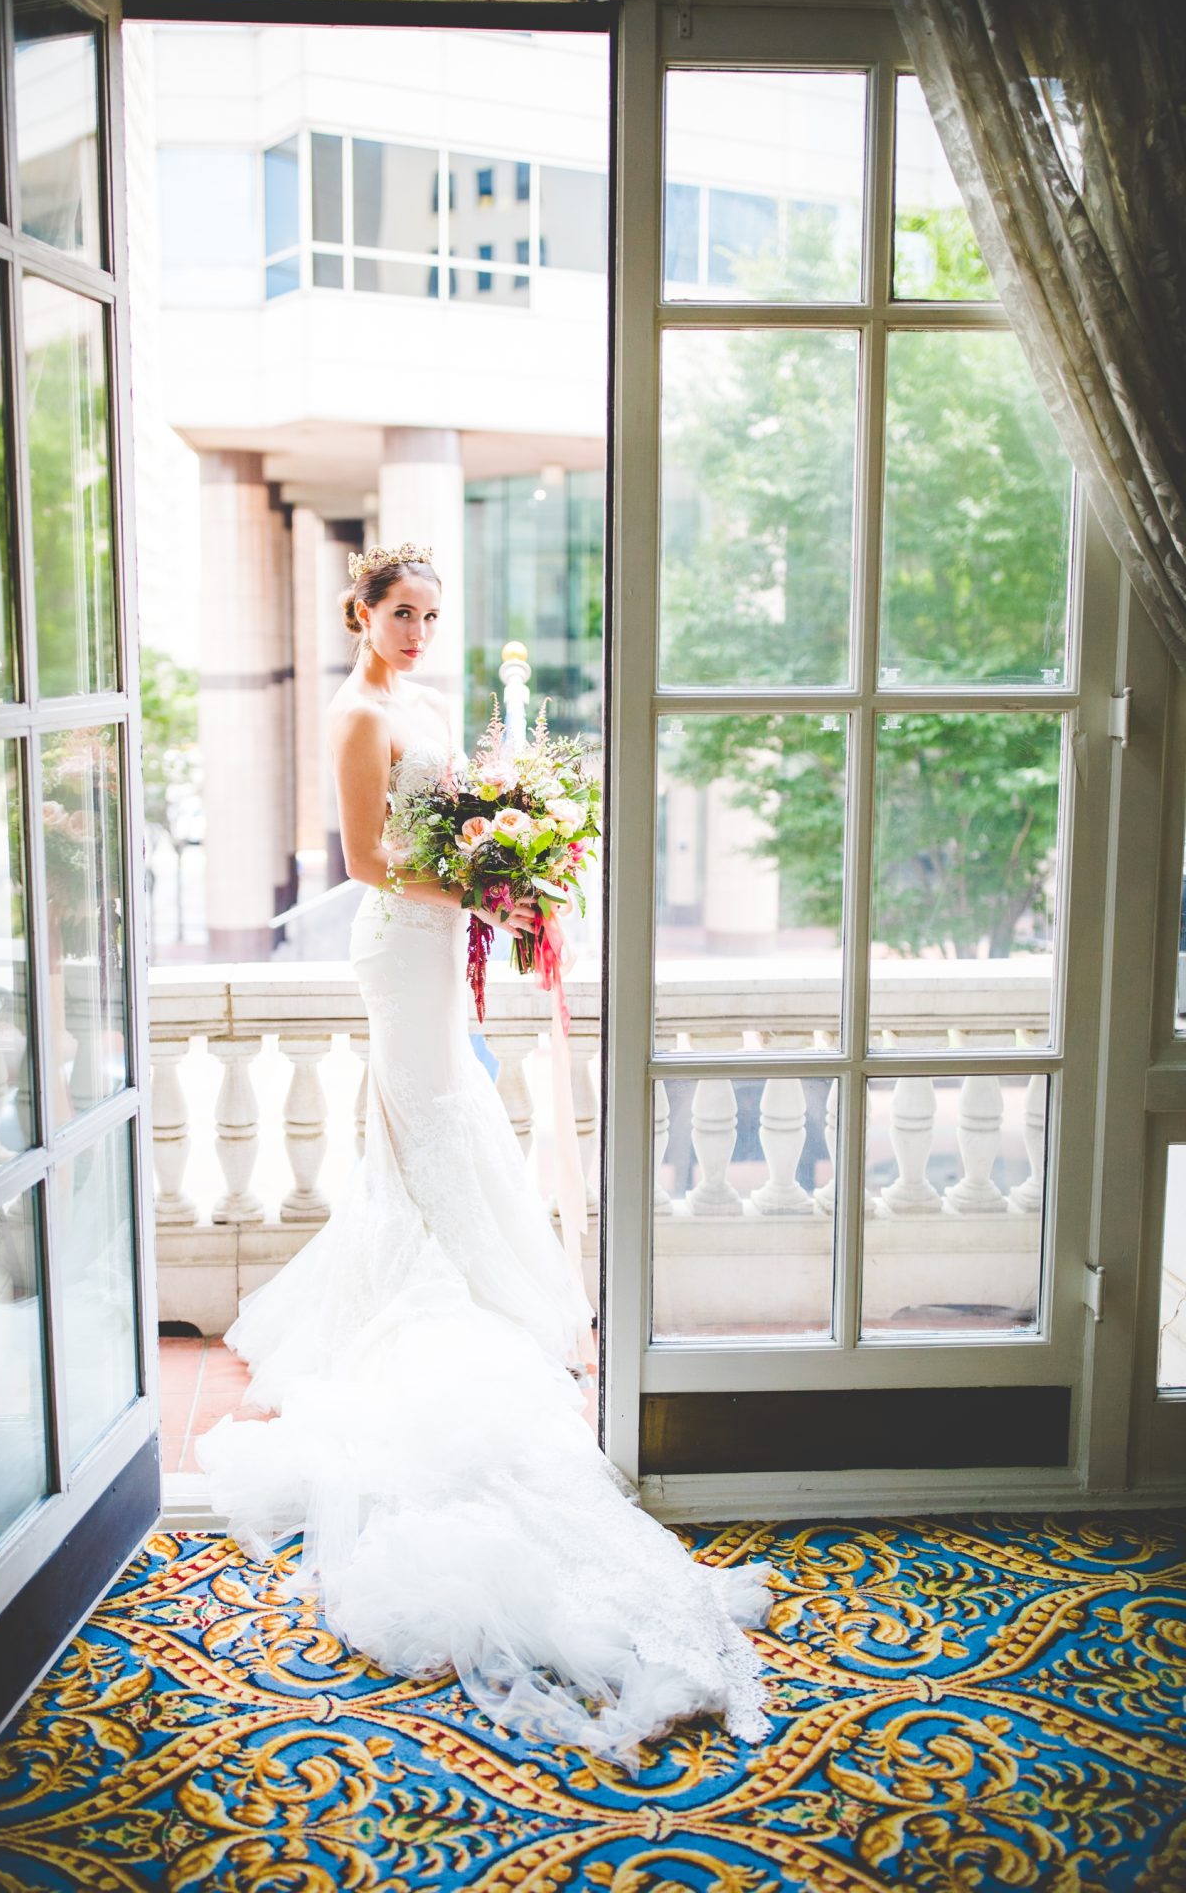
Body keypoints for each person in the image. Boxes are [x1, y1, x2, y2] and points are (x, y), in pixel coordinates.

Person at [196, 542, 774, 1770]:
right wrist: (484, 873)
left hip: (440, 933)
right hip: (399, 944)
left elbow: (448, 817)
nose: (415, 631)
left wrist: (497, 858)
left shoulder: (424, 703)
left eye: (429, 615)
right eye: (399, 612)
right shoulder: (357, 714)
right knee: (426, 1121)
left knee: (448, 1121)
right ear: (359, 612)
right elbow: (363, 860)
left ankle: (462, 1290)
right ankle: (432, 1306)